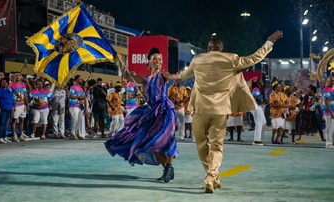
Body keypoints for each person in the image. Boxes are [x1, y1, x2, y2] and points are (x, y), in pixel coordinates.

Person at [179, 30, 283, 193]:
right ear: (221, 48)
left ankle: (211, 176)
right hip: (220, 110)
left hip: (200, 109)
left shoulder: (197, 59)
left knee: (200, 143)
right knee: (217, 145)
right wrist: (269, 43)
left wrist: (167, 75)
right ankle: (212, 177)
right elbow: (254, 58)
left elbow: (183, 75)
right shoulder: (231, 59)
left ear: (208, 47)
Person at [106, 48, 182, 183]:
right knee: (152, 143)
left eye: (160, 59)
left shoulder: (163, 75)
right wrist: (120, 61)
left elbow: (173, 77)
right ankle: (168, 169)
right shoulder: (145, 79)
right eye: (155, 59)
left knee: (167, 140)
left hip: (165, 111)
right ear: (149, 61)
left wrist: (183, 75)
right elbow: (126, 76)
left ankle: (168, 170)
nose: (158, 61)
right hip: (152, 113)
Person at [9, 72, 29, 142]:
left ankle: (20, 135)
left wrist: (27, 104)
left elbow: (25, 95)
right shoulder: (11, 85)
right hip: (16, 105)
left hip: (22, 104)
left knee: (22, 120)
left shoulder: (23, 85)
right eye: (16, 75)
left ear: (21, 77)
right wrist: (12, 105)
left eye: (19, 75)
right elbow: (9, 96)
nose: (17, 77)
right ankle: (14, 135)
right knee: (14, 120)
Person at [0, 78, 13, 143]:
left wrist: (12, 107)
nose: (4, 84)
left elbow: (11, 100)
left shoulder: (9, 91)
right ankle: (0, 137)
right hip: (2, 108)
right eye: (3, 82)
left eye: (6, 82)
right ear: (0, 83)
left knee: (5, 123)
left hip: (9, 108)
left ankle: (4, 137)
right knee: (1, 123)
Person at [68, 75, 86, 140]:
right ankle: (72, 133)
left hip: (79, 106)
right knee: (74, 119)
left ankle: (76, 133)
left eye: (81, 79)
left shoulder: (81, 89)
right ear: (76, 80)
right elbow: (70, 96)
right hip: (73, 105)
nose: (81, 80)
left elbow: (83, 97)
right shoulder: (73, 87)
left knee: (78, 120)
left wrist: (81, 97)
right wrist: (78, 97)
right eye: (80, 79)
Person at [250, 77, 267, 146]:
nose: (262, 81)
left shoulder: (259, 89)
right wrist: (262, 101)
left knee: (263, 122)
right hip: (256, 107)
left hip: (259, 107)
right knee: (259, 123)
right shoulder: (256, 89)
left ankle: (258, 138)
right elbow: (253, 98)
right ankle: (257, 140)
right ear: (257, 82)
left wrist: (265, 101)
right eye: (260, 80)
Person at [322, 76, 334, 148]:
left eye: (333, 81)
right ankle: (329, 143)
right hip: (329, 113)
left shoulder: (331, 89)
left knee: (332, 127)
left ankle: (331, 142)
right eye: (331, 81)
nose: (333, 82)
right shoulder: (327, 90)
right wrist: (331, 113)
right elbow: (326, 101)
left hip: (331, 112)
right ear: (327, 81)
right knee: (330, 127)